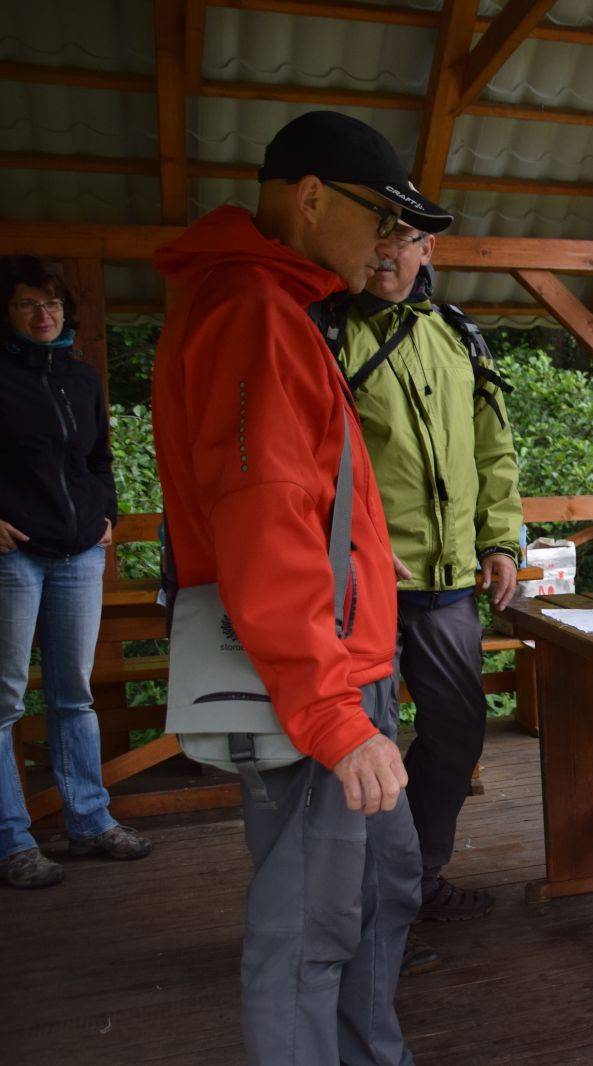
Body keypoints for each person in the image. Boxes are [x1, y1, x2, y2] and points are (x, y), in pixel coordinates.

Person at [151, 110, 452, 1065]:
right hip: (316, 687)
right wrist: (330, 715)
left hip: (340, 667)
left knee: (383, 887)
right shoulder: (251, 311)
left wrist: (365, 559)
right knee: (308, 929)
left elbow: (297, 500)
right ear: (313, 198)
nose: (392, 245)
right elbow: (261, 523)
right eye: (383, 219)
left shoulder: (272, 305)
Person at [337, 225, 522, 927]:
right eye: (376, 236)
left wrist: (499, 541)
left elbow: (493, 449)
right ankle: (371, 909)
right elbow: (311, 457)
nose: (387, 252)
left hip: (448, 584)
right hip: (364, 584)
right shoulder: (328, 332)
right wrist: (353, 541)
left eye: (404, 238)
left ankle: (416, 878)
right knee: (367, 747)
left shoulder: (458, 335)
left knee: (459, 732)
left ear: (427, 251)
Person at [0, 257, 152, 889]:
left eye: (53, 304)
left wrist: (106, 513)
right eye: (29, 304)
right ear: (8, 312)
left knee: (73, 695)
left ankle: (88, 822)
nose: (44, 315)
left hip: (80, 555)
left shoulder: (80, 378)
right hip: (14, 555)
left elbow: (98, 458)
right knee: (5, 700)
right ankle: (12, 841)